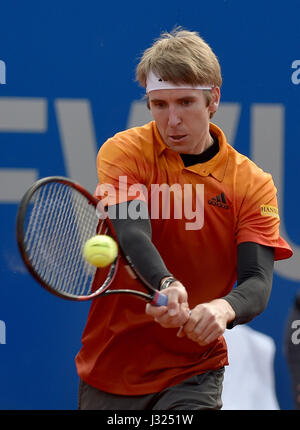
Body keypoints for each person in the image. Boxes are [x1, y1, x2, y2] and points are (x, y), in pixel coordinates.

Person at [76, 28, 293, 410]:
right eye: (159, 105)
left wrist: (222, 309)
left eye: (185, 102)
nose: (172, 119)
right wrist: (166, 282)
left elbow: (257, 280)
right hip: (113, 363)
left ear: (213, 100)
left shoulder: (252, 183)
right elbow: (131, 231)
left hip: (195, 367)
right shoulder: (124, 151)